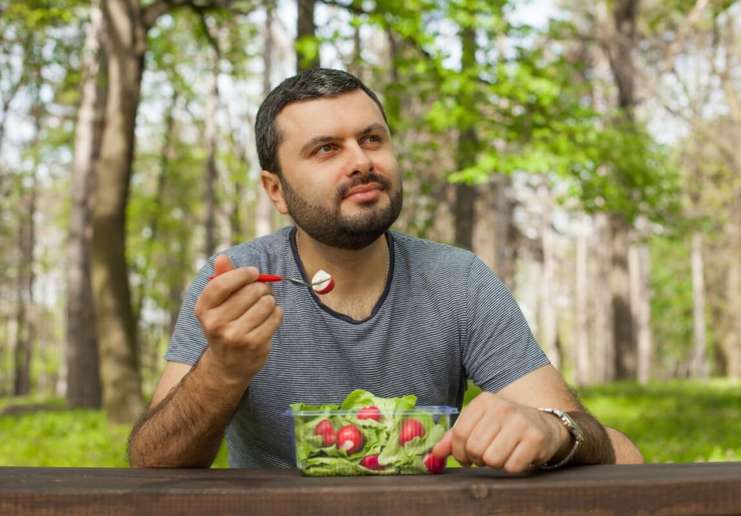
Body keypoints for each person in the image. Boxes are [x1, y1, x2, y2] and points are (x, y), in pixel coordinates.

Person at [128, 68, 643, 472]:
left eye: (372, 139)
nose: (360, 161)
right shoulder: (235, 281)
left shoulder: (456, 281)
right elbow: (151, 462)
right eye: (326, 148)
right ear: (276, 190)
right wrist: (224, 368)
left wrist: (552, 432)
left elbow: (613, 448)